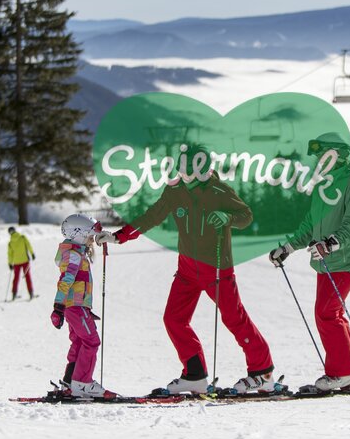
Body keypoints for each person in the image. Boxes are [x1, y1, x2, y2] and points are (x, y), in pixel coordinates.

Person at [95, 143, 276, 395]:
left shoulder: (218, 190)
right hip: (187, 269)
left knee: (234, 318)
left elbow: (245, 215)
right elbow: (152, 216)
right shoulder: (175, 191)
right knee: (174, 319)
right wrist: (119, 236)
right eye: (182, 165)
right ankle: (195, 375)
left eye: (190, 166)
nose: (184, 171)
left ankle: (262, 373)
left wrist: (228, 218)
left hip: (216, 268)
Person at [268, 132, 350, 392]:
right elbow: (309, 225)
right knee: (329, 313)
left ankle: (343, 373)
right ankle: (347, 372)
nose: (318, 160)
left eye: (322, 155)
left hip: (347, 259)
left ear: (337, 154)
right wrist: (287, 247)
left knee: (327, 312)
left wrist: (331, 243)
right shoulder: (323, 185)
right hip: (327, 261)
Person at [51, 214, 114, 398]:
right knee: (91, 341)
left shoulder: (77, 253)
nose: (92, 239)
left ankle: (70, 381)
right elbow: (66, 280)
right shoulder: (73, 255)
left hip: (77, 307)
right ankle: (83, 383)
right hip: (75, 307)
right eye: (89, 236)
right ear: (78, 234)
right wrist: (58, 307)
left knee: (79, 342)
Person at [7, 226, 36, 301]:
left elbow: (10, 254)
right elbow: (28, 245)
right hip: (25, 261)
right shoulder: (22, 237)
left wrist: (10, 263)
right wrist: (32, 253)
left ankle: (14, 294)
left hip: (16, 262)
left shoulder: (10, 243)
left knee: (16, 278)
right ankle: (31, 293)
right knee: (27, 277)